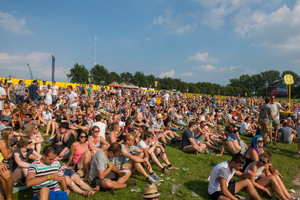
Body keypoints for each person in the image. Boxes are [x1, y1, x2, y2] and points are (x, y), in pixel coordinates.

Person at [0, 128, 14, 200]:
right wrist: (16, 152)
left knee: (3, 179)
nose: (13, 134)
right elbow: (6, 156)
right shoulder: (2, 143)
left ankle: (8, 197)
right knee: (7, 176)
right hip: (1, 163)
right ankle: (9, 197)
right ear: (7, 135)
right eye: (11, 133)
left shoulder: (5, 142)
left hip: (2, 163)